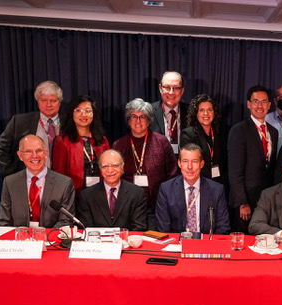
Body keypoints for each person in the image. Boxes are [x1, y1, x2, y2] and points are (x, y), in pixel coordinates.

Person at [112, 98, 177, 230]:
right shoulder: (119, 145)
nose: (138, 121)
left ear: (149, 120)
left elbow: (172, 174)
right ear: (128, 120)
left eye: (142, 117)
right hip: (127, 206)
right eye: (134, 116)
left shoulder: (161, 142)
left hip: (155, 207)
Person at [228, 85, 278, 233]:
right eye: (255, 101)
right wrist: (242, 203)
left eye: (264, 102)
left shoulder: (273, 132)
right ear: (248, 104)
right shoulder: (239, 130)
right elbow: (234, 171)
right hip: (245, 203)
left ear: (269, 105)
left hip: (265, 201)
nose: (259, 106)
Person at [0, 135, 75, 228]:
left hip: (50, 240)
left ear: (46, 153)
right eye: (28, 151)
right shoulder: (10, 182)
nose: (34, 155)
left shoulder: (64, 184)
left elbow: (66, 221)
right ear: (20, 156)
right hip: (19, 240)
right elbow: (4, 221)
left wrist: (44, 237)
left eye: (39, 151)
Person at [155, 144, 230, 234]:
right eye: (185, 161)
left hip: (206, 245)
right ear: (179, 163)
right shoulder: (166, 189)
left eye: (194, 162)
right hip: (177, 245)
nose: (189, 167)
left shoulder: (216, 190)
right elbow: (163, 229)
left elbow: (223, 228)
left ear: (201, 164)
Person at [0, 81, 63, 177]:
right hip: (28, 181)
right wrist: (13, 175)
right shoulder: (19, 122)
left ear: (59, 102)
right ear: (37, 101)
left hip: (62, 181)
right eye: (44, 100)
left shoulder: (70, 122)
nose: (48, 104)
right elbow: (0, 149)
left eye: (53, 100)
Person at [53, 95, 109, 196]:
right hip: (74, 195)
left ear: (94, 114)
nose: (83, 114)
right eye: (78, 110)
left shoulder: (102, 140)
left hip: (100, 194)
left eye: (88, 111)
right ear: (72, 113)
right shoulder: (63, 140)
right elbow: (59, 173)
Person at [76, 149, 147, 231]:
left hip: (126, 241)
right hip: (97, 242)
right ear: (100, 168)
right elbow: (86, 228)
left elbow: (139, 227)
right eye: (104, 166)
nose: (110, 170)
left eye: (115, 165)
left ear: (122, 166)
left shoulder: (137, 193)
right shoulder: (87, 195)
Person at [180, 94, 227, 186]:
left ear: (214, 112)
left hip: (218, 183)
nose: (206, 114)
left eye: (209, 110)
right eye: (201, 110)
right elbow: (190, 164)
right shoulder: (188, 134)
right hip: (198, 184)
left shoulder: (219, 133)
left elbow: (223, 162)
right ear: (195, 113)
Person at [149, 71, 188, 154]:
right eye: (167, 87)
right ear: (160, 88)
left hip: (185, 164)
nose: (171, 92)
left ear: (182, 91)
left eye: (176, 88)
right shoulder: (148, 111)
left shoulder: (191, 112)